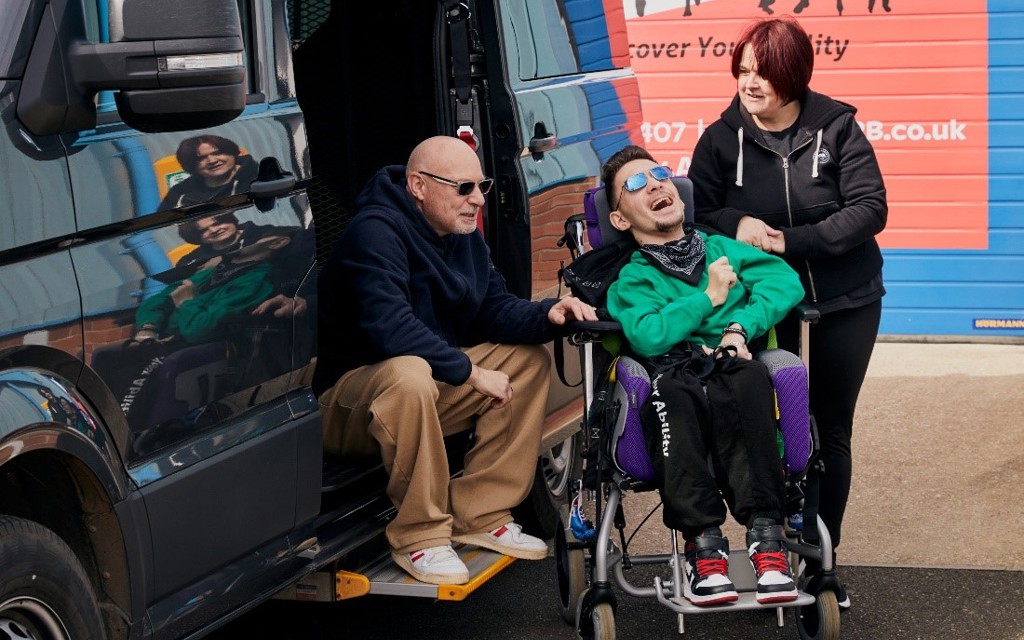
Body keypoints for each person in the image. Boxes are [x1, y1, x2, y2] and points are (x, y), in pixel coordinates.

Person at [312, 135, 597, 586]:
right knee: (410, 374)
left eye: (481, 186)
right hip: (342, 404)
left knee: (524, 362)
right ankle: (420, 536)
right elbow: (390, 328)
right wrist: (469, 372)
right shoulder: (374, 232)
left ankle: (479, 514)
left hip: (418, 385)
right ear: (418, 185)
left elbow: (493, 310)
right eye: (463, 188)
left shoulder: (461, 235)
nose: (478, 200)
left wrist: (550, 313)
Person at [686, 16, 887, 608]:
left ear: (792, 76)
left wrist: (792, 243)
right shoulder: (722, 137)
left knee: (828, 429)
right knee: (766, 426)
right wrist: (735, 223)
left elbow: (869, 208)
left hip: (844, 300)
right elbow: (696, 211)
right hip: (761, 309)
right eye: (743, 70)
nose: (750, 83)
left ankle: (822, 562)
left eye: (763, 72)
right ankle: (767, 542)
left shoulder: (838, 127)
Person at [602, 145, 804, 606]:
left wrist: (739, 327)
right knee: (672, 390)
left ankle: (767, 540)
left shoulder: (719, 248)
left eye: (658, 175)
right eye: (635, 184)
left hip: (730, 362)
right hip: (672, 371)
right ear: (619, 219)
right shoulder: (631, 279)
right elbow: (648, 335)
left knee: (752, 378)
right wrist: (709, 298)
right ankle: (704, 547)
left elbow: (785, 282)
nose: (655, 184)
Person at [159, 135, 260, 211]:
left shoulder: (259, 175)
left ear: (232, 153)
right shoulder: (180, 192)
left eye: (217, 153)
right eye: (201, 158)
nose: (212, 161)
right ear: (191, 165)